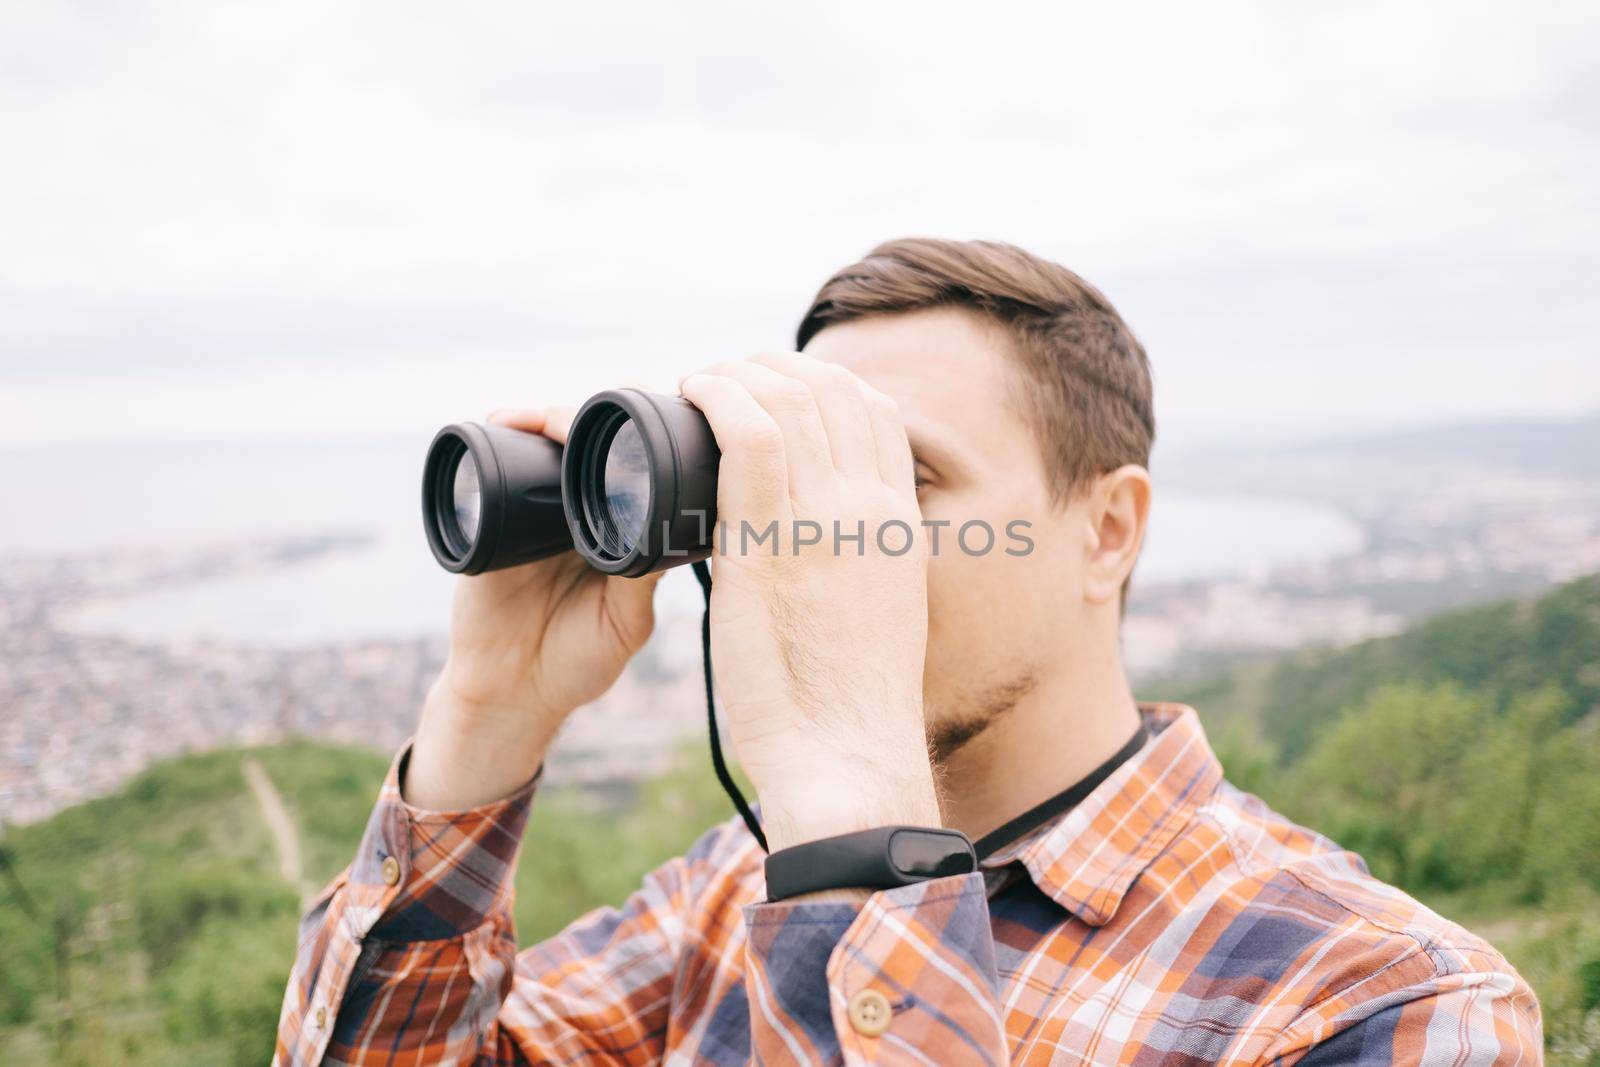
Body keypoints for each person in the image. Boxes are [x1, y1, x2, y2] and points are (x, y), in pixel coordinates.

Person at [274, 239, 1541, 1065]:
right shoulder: (731, 889)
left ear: (1106, 531)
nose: (830, 540)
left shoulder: (1378, 999)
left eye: (900, 476)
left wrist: (843, 788)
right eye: (803, 482)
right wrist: (485, 716)